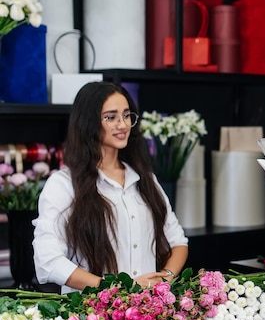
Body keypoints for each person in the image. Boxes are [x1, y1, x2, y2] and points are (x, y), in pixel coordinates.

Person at [33, 82, 189, 293]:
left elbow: (177, 241)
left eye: (126, 115)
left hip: (148, 316)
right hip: (91, 318)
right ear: (88, 123)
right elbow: (48, 261)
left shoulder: (145, 180)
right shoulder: (63, 185)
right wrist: (117, 288)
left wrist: (165, 279)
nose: (122, 124)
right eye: (111, 117)